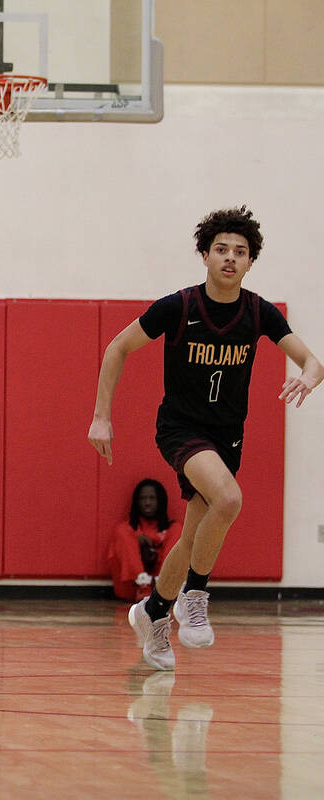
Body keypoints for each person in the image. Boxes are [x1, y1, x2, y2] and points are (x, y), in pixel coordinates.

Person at [89, 206, 322, 671]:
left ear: (251, 262)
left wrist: (310, 376)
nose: (230, 258)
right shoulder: (179, 307)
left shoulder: (259, 312)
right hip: (181, 428)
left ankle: (152, 611)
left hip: (227, 435)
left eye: (240, 252)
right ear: (205, 255)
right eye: (221, 250)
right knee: (230, 500)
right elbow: (118, 347)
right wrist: (101, 417)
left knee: (193, 532)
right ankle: (194, 595)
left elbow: (311, 360)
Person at [107, 479, 182, 602]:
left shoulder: (171, 529)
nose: (147, 503)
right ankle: (143, 584)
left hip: (166, 590)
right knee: (122, 532)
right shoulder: (127, 529)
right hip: (133, 589)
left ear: (160, 501)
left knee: (179, 531)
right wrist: (136, 543)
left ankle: (163, 583)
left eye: (152, 498)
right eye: (142, 498)